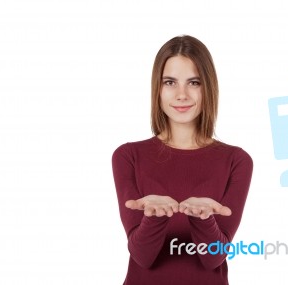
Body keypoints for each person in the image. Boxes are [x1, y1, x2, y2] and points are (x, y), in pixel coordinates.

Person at [112, 35, 253, 285]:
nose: (181, 94)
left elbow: (213, 259)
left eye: (194, 82)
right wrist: (155, 216)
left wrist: (203, 218)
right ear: (158, 88)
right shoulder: (127, 156)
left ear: (208, 88)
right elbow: (142, 257)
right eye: (170, 82)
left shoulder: (236, 160)